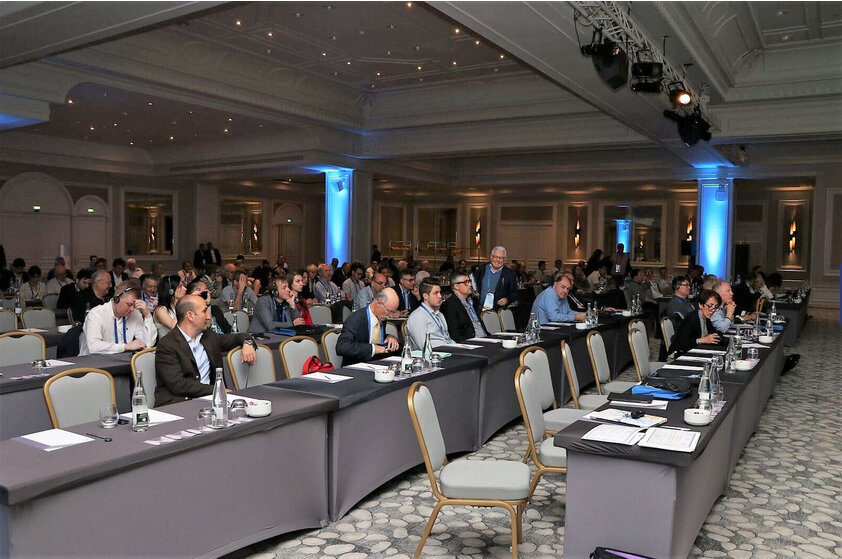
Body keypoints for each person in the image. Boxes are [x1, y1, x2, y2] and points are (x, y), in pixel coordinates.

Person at [154, 294, 256, 406]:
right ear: (190, 316)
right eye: (204, 312)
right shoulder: (167, 345)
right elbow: (178, 384)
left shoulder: (209, 337)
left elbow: (238, 337)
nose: (208, 317)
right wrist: (215, 390)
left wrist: (248, 343)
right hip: (178, 403)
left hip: (211, 402)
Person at [79, 280, 156, 355]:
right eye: (129, 304)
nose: (132, 309)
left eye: (134, 305)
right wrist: (126, 347)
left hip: (122, 362)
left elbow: (147, 344)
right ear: (116, 299)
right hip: (92, 364)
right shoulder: (96, 314)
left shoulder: (135, 313)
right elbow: (94, 347)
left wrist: (147, 315)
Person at [336, 288, 401, 366]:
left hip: (377, 365)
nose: (390, 315)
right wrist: (373, 349)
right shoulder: (356, 319)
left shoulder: (382, 316)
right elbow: (342, 347)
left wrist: (389, 337)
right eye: (390, 311)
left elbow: (374, 337)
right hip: (356, 366)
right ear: (379, 303)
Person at [672, 289, 723, 355]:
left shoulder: (706, 318)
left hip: (696, 352)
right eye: (710, 306)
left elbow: (713, 334)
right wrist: (702, 340)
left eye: (715, 307)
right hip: (680, 354)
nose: (713, 310)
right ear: (700, 305)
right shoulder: (692, 319)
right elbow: (682, 343)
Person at [406, 279, 452, 350]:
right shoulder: (418, 317)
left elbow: (447, 338)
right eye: (436, 293)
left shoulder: (440, 314)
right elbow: (423, 346)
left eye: (440, 292)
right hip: (433, 356)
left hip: (448, 350)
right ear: (425, 296)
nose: (440, 296)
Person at [440, 272, 485, 342]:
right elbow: (455, 334)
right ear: (456, 286)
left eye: (469, 281)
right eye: (466, 282)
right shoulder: (450, 305)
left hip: (484, 338)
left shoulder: (471, 301)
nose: (470, 284)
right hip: (471, 342)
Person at [473, 246, 519, 312]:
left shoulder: (510, 274)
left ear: (504, 260)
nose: (497, 260)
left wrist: (507, 300)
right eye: (495, 257)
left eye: (500, 258)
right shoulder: (481, 270)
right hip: (479, 309)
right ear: (491, 257)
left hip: (497, 312)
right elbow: (473, 284)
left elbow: (515, 294)